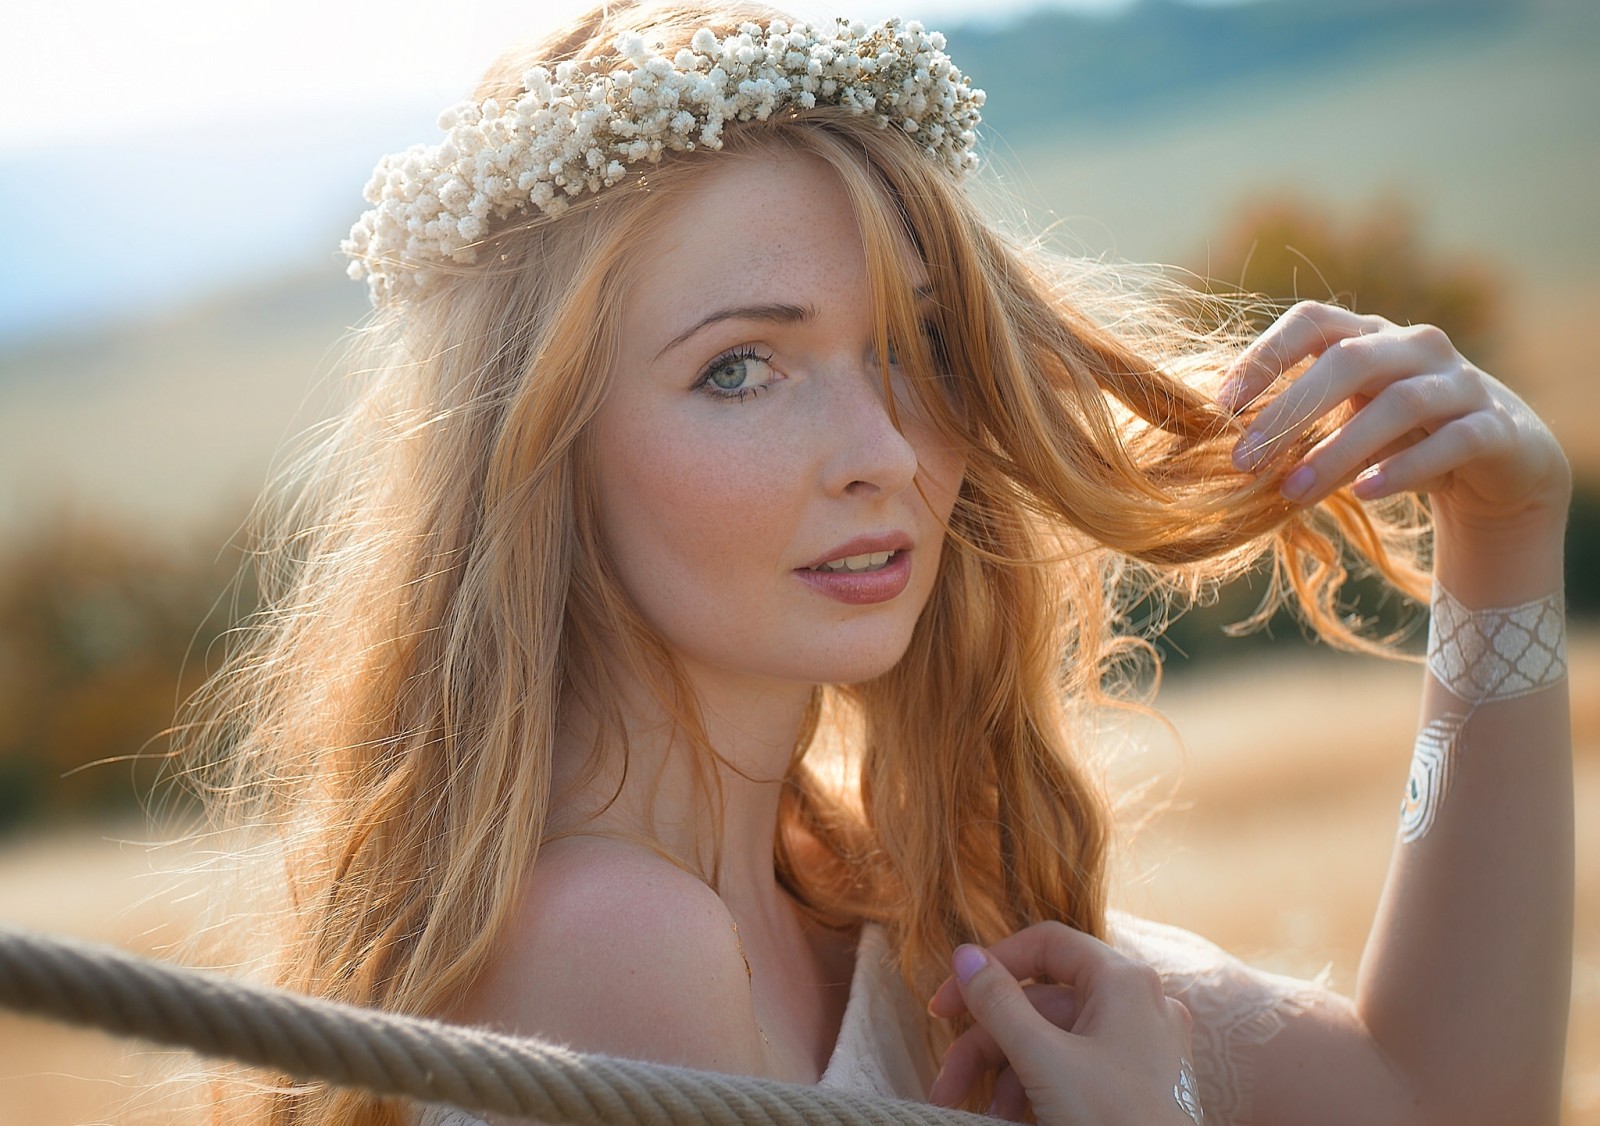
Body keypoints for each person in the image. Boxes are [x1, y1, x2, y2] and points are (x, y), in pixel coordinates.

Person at [182, 2, 1573, 1124]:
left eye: (916, 348)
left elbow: (1447, 1096)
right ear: (539, 453)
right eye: (741, 368)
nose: (886, 451)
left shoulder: (872, 902)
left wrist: (1501, 552)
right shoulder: (616, 941)